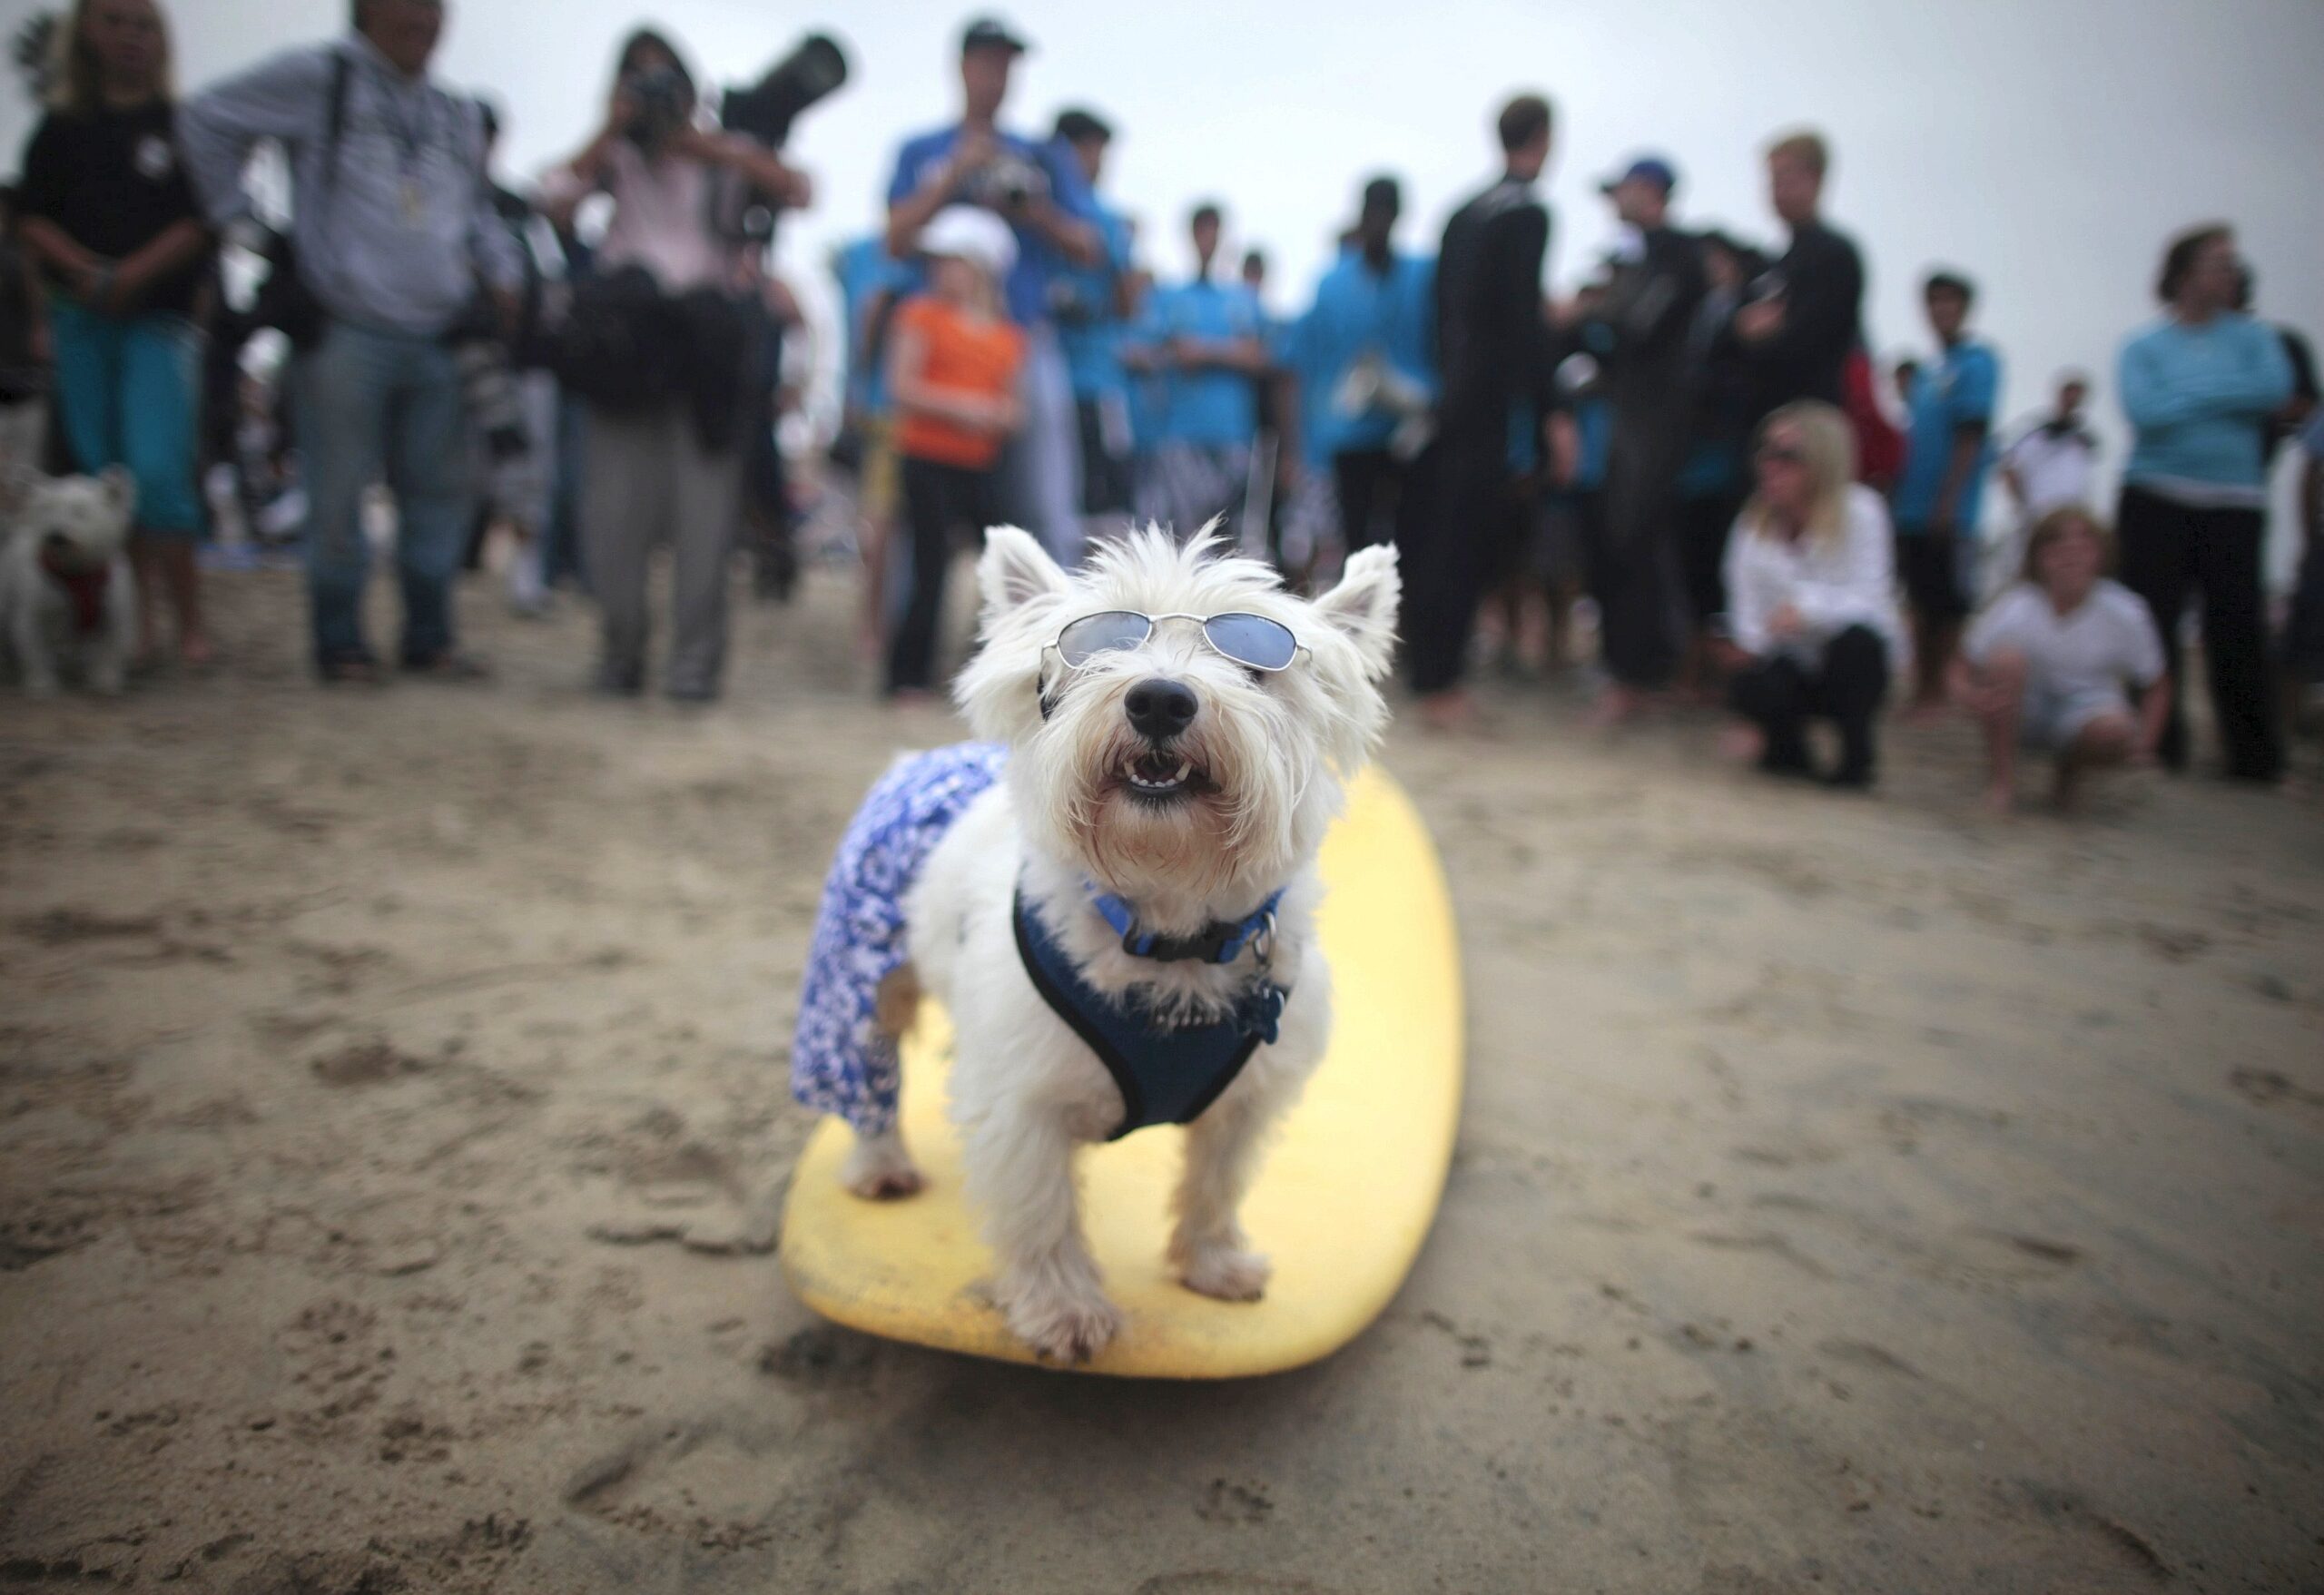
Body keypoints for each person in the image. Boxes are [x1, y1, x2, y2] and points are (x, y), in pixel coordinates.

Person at [180, 0, 523, 684]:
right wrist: (249, 230)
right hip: (344, 326)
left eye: (434, 7)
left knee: (439, 493)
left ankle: (430, 637)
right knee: (336, 493)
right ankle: (340, 642)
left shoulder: (453, 111)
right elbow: (204, 119)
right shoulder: (318, 76)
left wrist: (504, 272)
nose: (423, 19)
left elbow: (473, 205)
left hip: (440, 331)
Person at [538, 28, 812, 702]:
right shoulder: (614, 157)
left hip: (705, 353)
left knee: (705, 519)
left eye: (666, 85)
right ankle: (619, 656)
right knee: (614, 516)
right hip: (625, 350)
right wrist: (612, 131)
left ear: (692, 92)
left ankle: (693, 671)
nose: (655, 98)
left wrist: (703, 145)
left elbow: (800, 188)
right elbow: (552, 199)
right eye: (639, 83)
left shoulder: (723, 154)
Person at [16, 0, 213, 670]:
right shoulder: (60, 129)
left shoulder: (181, 127)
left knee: (155, 471)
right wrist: (81, 270)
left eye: (143, 23)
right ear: (87, 34)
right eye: (115, 20)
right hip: (82, 320)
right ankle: (136, 621)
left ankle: (189, 621)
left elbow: (199, 221)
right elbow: (32, 218)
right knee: (102, 477)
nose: (130, 36)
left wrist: (131, 273)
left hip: (157, 319)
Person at [884, 15, 1099, 566]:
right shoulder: (922, 149)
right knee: (921, 508)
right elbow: (894, 239)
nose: (997, 77)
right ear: (962, 67)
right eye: (987, 63)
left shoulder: (1039, 156)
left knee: (1045, 500)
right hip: (940, 344)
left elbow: (1088, 247)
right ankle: (910, 648)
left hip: (1021, 340)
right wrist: (955, 174)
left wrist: (1033, 209)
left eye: (1007, 66)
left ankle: (1059, 638)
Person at [2114, 223, 2292, 783]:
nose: (2230, 272)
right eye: (2219, 262)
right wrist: (2220, 395)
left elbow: (2273, 392)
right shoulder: (2143, 345)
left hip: (2234, 502)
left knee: (2237, 628)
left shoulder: (2257, 341)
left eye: (2232, 263)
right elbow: (2145, 413)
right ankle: (2155, 743)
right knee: (2151, 624)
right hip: (2155, 497)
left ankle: (2253, 758)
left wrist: (2188, 394)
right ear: (2185, 272)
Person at [1411, 92, 1561, 730]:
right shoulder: (1525, 214)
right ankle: (1443, 685)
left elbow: (1439, 315)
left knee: (1440, 540)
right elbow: (1523, 323)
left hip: (1451, 400)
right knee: (1465, 545)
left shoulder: (1462, 212)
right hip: (1488, 405)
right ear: (1545, 138)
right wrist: (1551, 410)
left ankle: (1431, 674)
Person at [1572, 155, 1705, 724]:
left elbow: (1639, 331)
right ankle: (1632, 673)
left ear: (1649, 191)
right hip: (1630, 422)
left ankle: (1636, 679)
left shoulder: (1676, 252)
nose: (1613, 205)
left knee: (1635, 544)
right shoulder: (1649, 256)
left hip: (1655, 426)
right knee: (1619, 545)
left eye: (1621, 191)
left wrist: (1594, 316)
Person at [1718, 400, 1903, 789]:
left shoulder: (1862, 512)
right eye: (1765, 452)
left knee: (1859, 646)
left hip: (1847, 663)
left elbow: (1873, 602)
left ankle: (1855, 756)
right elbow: (1746, 615)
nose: (1770, 464)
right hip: (1789, 661)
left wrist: (1807, 610)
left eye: (1788, 456)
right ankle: (1786, 749)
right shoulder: (1753, 523)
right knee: (1748, 674)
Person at [882, 207, 1023, 700]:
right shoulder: (920, 314)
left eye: (953, 261)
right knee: (928, 567)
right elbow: (901, 385)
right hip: (926, 459)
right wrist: (966, 408)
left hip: (981, 465)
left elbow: (1014, 407)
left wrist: (997, 415)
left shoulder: (1009, 337)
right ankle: (905, 678)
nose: (940, 271)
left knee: (1004, 563)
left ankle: (991, 669)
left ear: (981, 267)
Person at [1955, 505, 2167, 813]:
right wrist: (1970, 696)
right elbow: (1962, 663)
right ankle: (2002, 781)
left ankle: (2070, 773)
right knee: (2005, 661)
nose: (2071, 554)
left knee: (2115, 731)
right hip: (2025, 707)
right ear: (2038, 557)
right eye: (2057, 544)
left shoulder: (2126, 611)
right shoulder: (2018, 604)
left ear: (2100, 554)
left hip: (2088, 707)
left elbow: (2156, 682)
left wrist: (2145, 743)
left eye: (2083, 545)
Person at [1293, 175, 1436, 559]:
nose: (1379, 222)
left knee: (1413, 540)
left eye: (1387, 214)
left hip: (1411, 433)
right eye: (1373, 213)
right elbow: (1306, 369)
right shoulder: (1331, 284)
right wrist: (1306, 450)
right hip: (1350, 436)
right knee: (1356, 544)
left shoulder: (1424, 276)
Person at [1891, 270, 2001, 718]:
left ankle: (1937, 691)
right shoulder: (1929, 373)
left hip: (1951, 512)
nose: (1941, 310)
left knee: (1947, 607)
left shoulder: (1978, 363)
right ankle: (1921, 688)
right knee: (1917, 599)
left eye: (1950, 302)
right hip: (1912, 508)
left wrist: (1950, 500)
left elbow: (1970, 436)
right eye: (1934, 302)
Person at [1137, 202, 1267, 539]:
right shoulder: (1167, 296)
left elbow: (1258, 358)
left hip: (1233, 434)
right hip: (1181, 435)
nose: (1208, 239)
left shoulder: (1242, 298)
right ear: (1191, 236)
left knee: (1231, 539)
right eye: (1201, 230)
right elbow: (1147, 352)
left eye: (1214, 231)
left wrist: (1202, 352)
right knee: (1185, 536)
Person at [1673, 229, 1765, 689]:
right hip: (1691, 465)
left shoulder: (1745, 311)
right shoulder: (1698, 313)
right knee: (1693, 566)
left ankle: (1712, 672)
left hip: (1728, 464)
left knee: (1719, 569)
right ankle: (1695, 667)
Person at [1049, 107, 1137, 539]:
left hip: (1091, 381)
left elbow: (1125, 302)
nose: (1100, 164)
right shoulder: (1052, 208)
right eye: (1094, 152)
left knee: (1102, 501)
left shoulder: (1103, 217)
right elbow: (1127, 303)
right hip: (1068, 382)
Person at [1735, 130, 1865, 419]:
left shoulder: (1834, 255)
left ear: (1816, 179)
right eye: (1772, 180)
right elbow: (1739, 331)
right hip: (1766, 419)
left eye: (1786, 178)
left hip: (1811, 418)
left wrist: (1772, 328)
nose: (1777, 190)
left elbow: (1809, 338)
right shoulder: (1777, 264)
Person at [832, 231, 912, 660]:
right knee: (882, 525)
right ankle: (875, 629)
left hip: (879, 407)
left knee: (880, 525)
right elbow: (867, 322)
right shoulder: (886, 260)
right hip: (888, 413)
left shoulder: (863, 254)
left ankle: (875, 628)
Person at [2000, 372, 2099, 522]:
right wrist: (2022, 508)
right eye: (2069, 394)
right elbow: (2009, 469)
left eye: (2077, 397)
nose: (2073, 401)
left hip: (2072, 515)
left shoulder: (2082, 440)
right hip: (2039, 514)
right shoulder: (2035, 432)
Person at [0, 186, 49, 480]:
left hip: (22, 370)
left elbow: (37, 299)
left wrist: (39, 329)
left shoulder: (21, 254)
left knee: (22, 466)